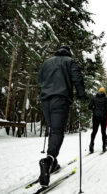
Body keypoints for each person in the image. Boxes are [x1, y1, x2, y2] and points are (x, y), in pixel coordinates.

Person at [37, 45, 86, 187]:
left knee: (54, 130)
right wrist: (81, 94)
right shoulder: (70, 62)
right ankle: (49, 160)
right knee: (57, 131)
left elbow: (40, 79)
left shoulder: (47, 62)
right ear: (69, 53)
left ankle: (53, 162)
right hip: (60, 99)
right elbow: (77, 78)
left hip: (46, 100)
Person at [88, 87, 107, 153]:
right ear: (104, 92)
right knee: (103, 131)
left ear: (99, 91)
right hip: (103, 117)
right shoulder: (106, 99)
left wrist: (94, 110)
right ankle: (104, 146)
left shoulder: (94, 98)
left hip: (95, 116)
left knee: (94, 131)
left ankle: (91, 145)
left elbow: (89, 107)